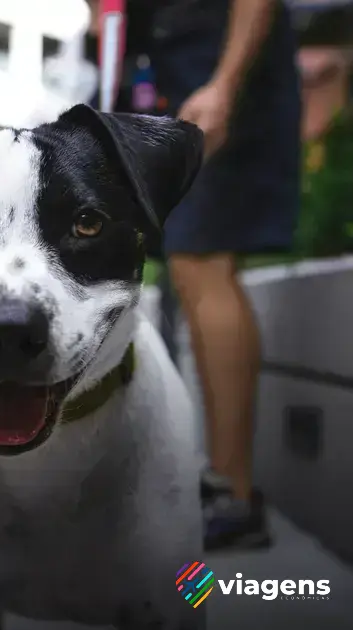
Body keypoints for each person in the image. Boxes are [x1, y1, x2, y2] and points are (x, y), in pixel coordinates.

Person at [88, 0, 302, 552]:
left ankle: (234, 495)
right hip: (165, 68)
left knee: (203, 261)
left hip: (219, 70)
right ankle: (209, 484)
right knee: (177, 267)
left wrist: (226, 83)